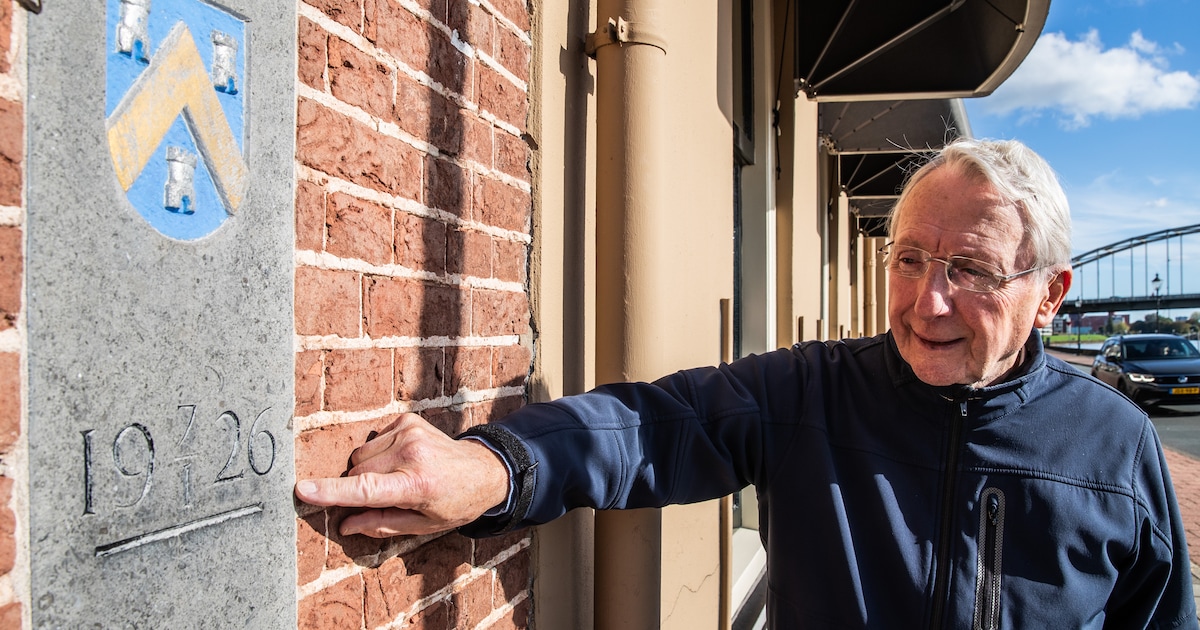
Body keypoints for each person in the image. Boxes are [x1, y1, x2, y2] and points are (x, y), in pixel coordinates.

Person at [295, 139, 1198, 628]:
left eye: (971, 269)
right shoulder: (813, 394)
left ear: (1051, 296)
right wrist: (492, 469)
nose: (928, 300)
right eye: (910, 258)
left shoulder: (1115, 445)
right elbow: (654, 425)